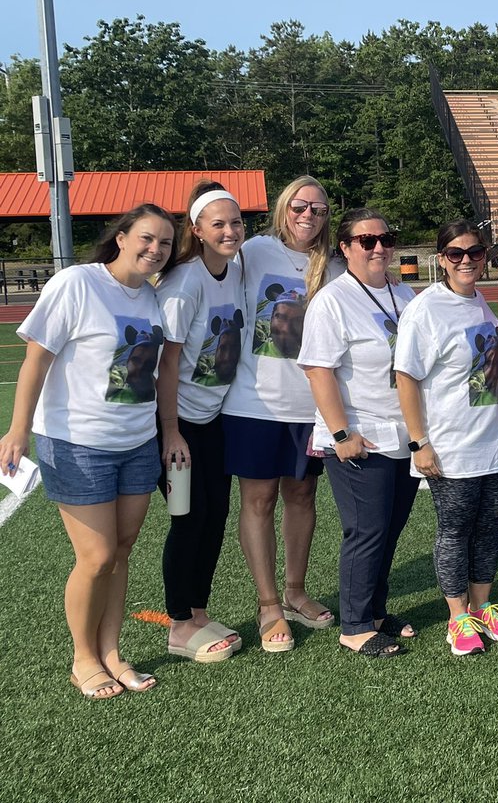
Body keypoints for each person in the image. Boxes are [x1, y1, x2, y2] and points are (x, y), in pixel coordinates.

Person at [0, 203, 175, 698]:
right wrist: (17, 431)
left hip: (137, 442)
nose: (155, 249)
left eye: (164, 243)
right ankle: (83, 658)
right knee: (96, 556)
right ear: (121, 237)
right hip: (77, 443)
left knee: (121, 551)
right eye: (146, 238)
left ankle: (112, 652)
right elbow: (36, 359)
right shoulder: (77, 283)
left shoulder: (152, 297)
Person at [222, 176, 342, 653]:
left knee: (302, 496)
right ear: (282, 207)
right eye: (299, 205)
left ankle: (295, 591)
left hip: (311, 406)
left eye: (318, 207)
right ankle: (268, 602)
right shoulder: (253, 252)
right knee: (258, 501)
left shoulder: (333, 265)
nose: (308, 214)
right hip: (255, 403)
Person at [395, 220, 498, 656]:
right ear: (441, 259)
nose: (466, 260)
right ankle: (457, 618)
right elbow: (406, 377)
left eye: (474, 252)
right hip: (452, 445)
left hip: (495, 442)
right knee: (455, 531)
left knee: (489, 529)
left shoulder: (482, 304)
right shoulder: (427, 309)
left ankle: (483, 605)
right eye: (456, 253)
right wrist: (419, 441)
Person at [298, 209, 419, 658]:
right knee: (366, 529)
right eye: (366, 241)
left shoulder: (405, 293)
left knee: (389, 529)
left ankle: (376, 613)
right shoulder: (333, 300)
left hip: (402, 434)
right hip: (358, 436)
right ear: (345, 248)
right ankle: (353, 625)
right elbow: (318, 369)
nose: (379, 248)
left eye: (386, 239)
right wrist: (341, 431)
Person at [156, 180, 246, 663]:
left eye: (235, 222)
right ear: (197, 229)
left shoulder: (234, 270)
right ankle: (177, 626)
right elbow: (166, 364)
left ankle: (197, 610)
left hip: (212, 422)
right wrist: (171, 432)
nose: (230, 230)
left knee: (215, 517)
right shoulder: (184, 282)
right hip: (177, 425)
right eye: (219, 224)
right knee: (188, 520)